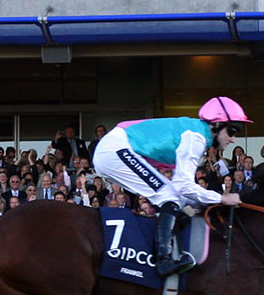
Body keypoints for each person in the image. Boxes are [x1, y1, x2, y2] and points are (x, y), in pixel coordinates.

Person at [91, 97, 249, 276]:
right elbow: (184, 186)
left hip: (115, 148)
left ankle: (168, 242)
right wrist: (221, 198)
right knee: (171, 197)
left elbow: (182, 188)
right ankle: (163, 260)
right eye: (232, 131)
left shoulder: (197, 134)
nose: (233, 139)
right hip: (115, 150)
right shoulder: (195, 137)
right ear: (218, 124)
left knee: (177, 199)